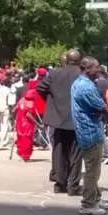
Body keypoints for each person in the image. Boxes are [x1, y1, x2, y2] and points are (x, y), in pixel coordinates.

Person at [36, 49, 83, 195]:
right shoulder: (82, 74)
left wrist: (52, 102)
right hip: (76, 118)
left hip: (58, 119)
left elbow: (40, 87)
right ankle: (73, 186)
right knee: (75, 154)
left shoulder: (55, 73)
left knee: (59, 152)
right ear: (79, 59)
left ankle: (59, 184)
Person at [71, 57, 108, 215]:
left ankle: (96, 198)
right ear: (87, 69)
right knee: (92, 171)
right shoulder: (86, 87)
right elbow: (102, 107)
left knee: (93, 168)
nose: (98, 70)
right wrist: (100, 110)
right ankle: (88, 204)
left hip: (86, 130)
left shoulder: (78, 83)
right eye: (96, 68)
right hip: (90, 132)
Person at [14, 88, 39, 161]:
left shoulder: (21, 100)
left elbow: (15, 109)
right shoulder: (30, 103)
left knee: (21, 139)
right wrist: (38, 124)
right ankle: (26, 156)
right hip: (27, 124)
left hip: (20, 124)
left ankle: (21, 154)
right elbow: (29, 115)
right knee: (27, 141)